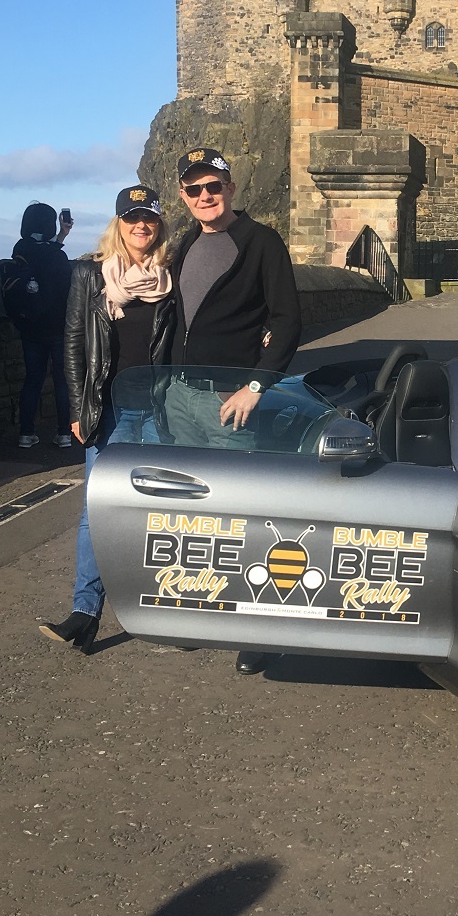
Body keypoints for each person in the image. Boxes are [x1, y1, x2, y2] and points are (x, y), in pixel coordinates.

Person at [166, 147, 302, 675]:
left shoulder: (262, 241)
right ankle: (201, 613)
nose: (205, 196)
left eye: (213, 187)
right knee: (194, 516)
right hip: (182, 397)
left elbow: (288, 319)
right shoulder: (185, 244)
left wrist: (256, 385)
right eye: (195, 189)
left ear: (231, 188)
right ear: (183, 196)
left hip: (231, 401)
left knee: (244, 515)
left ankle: (256, 629)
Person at [38, 186, 174, 655]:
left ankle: (164, 612)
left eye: (149, 219)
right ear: (118, 223)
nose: (141, 226)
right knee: (97, 510)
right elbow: (73, 341)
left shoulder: (171, 276)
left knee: (162, 513)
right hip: (108, 410)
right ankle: (84, 613)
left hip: (159, 411)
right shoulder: (89, 274)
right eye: (132, 218)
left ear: (160, 225)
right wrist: (76, 408)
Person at [1, 201, 74, 448]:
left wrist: (61, 236)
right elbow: (67, 289)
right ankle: (64, 433)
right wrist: (61, 237)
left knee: (33, 380)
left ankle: (26, 433)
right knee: (62, 380)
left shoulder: (20, 250)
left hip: (30, 328)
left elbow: (38, 251)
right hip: (58, 328)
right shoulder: (58, 257)